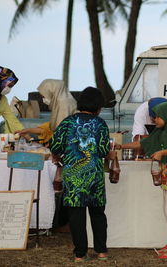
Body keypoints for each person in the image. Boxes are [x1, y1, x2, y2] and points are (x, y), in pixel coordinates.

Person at [50, 87, 115, 262]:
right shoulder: (100, 123)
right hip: (94, 175)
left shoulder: (67, 122)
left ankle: (80, 254)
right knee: (98, 213)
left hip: (73, 175)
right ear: (98, 106)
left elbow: (55, 146)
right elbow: (102, 151)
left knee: (76, 214)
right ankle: (102, 252)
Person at [116, 101, 167, 259]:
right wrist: (121, 147)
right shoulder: (160, 131)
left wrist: (162, 153)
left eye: (157, 117)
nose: (154, 120)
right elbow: (142, 143)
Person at [16, 79, 77, 144]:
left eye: (43, 96)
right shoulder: (60, 104)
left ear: (51, 92)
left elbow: (60, 135)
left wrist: (31, 139)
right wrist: (28, 131)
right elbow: (49, 129)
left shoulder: (63, 104)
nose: (43, 100)